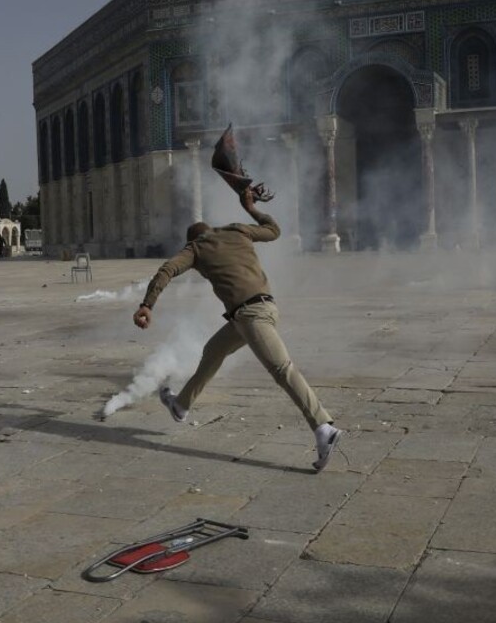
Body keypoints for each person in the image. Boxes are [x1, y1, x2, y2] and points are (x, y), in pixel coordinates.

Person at [133, 187, 342, 472]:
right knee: (213, 351)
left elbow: (167, 270)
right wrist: (250, 207)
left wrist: (147, 305)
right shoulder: (237, 230)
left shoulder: (196, 247)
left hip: (252, 315)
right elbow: (273, 230)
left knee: (282, 370)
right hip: (257, 311)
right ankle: (181, 405)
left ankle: (323, 427)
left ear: (192, 239)